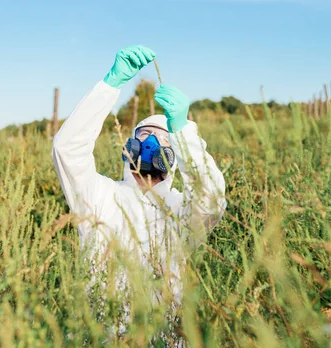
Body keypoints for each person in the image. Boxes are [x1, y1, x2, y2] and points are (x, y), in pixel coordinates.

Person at [52, 45, 226, 330]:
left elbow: (212, 198)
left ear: (177, 153)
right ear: (128, 145)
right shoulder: (99, 195)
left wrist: (183, 129)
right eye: (144, 135)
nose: (150, 144)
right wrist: (110, 84)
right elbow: (67, 149)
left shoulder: (182, 211)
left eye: (163, 139)